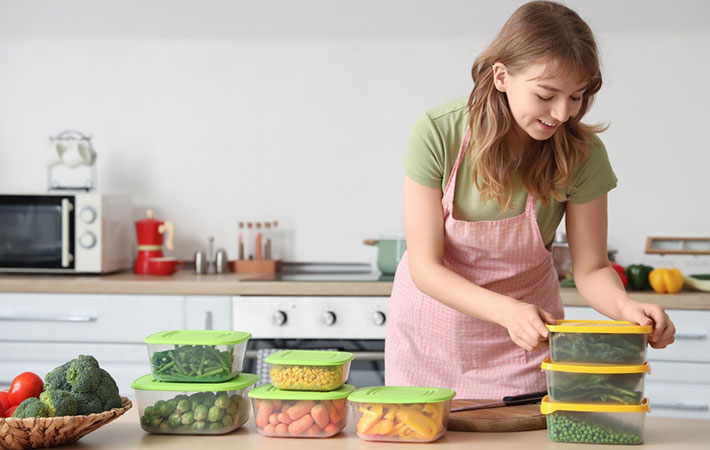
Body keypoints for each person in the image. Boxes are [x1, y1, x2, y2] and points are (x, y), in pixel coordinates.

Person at [384, 1, 676, 398]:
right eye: (546, 94)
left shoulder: (582, 154)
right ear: (502, 76)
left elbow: (591, 269)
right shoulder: (439, 134)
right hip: (431, 340)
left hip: (526, 343)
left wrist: (627, 310)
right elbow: (426, 268)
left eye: (576, 96)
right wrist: (507, 312)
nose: (561, 113)